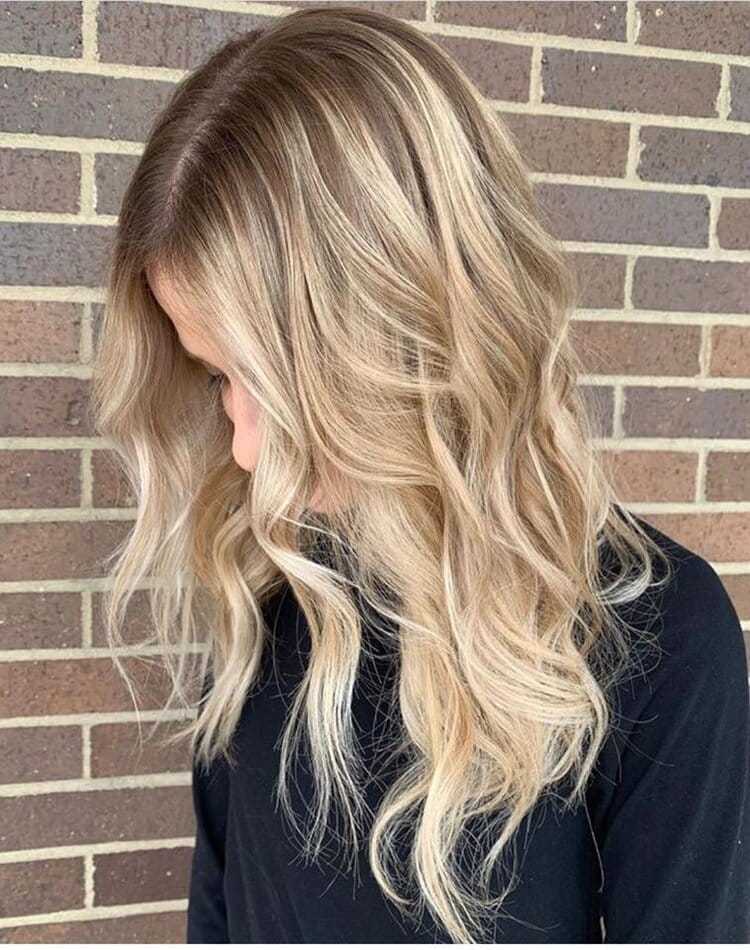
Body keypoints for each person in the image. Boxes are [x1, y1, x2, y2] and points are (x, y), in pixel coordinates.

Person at [90, 6, 750, 943]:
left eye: (271, 380)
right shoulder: (269, 595)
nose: (241, 448)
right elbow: (222, 913)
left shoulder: (657, 646)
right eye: (217, 379)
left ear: (405, 332)